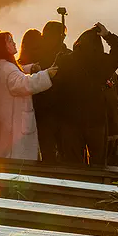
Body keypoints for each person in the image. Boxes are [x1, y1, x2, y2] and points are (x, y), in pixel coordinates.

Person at [54, 22, 118, 166]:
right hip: (96, 120)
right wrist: (108, 36)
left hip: (69, 120)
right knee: (99, 163)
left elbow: (55, 83)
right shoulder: (102, 62)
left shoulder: (65, 60)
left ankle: (76, 187)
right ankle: (96, 185)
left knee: (72, 164)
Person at [0, 31, 56, 160]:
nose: (14, 43)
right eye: (10, 41)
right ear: (2, 46)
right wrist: (47, 74)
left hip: (3, 122)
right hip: (16, 124)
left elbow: (18, 73)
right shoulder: (8, 68)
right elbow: (22, 84)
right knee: (18, 162)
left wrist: (30, 68)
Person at [33, 21, 70, 164]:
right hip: (59, 112)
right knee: (61, 153)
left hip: (43, 111)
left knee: (48, 151)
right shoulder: (66, 55)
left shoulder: (35, 54)